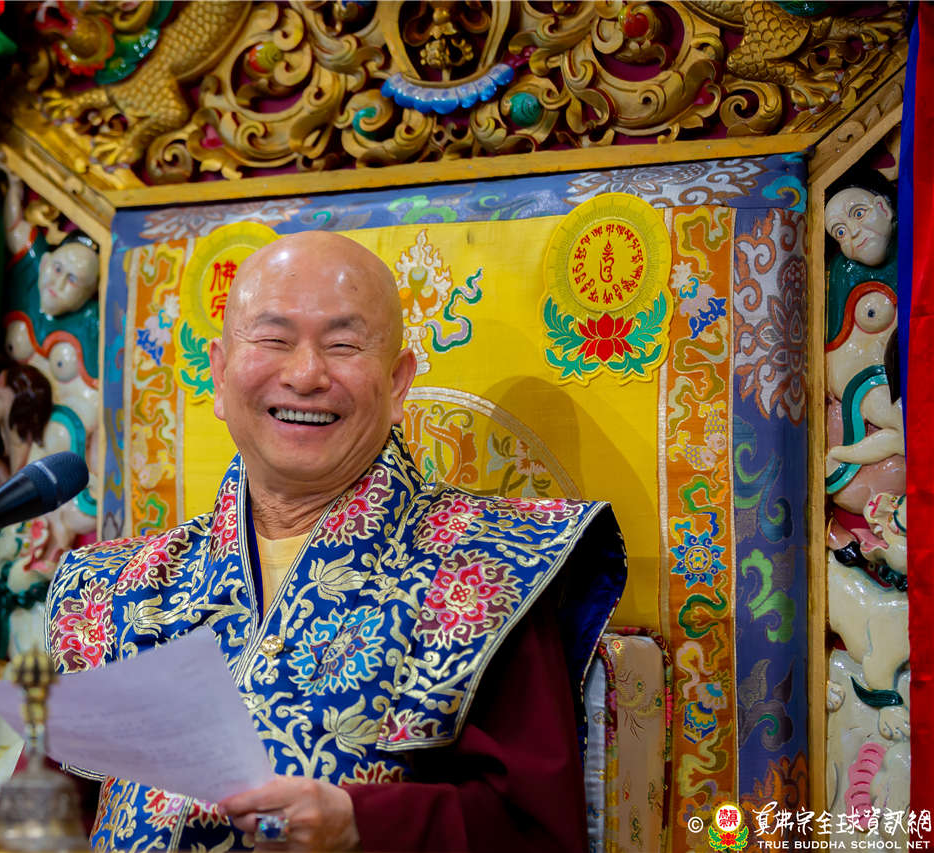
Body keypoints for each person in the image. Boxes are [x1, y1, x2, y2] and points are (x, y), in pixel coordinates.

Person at [46, 231, 625, 852]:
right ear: (218, 371)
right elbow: (46, 811)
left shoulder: (487, 566)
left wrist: (359, 826)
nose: (305, 375)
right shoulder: (120, 586)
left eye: (343, 345)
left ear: (397, 382)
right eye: (273, 340)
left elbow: (535, 833)